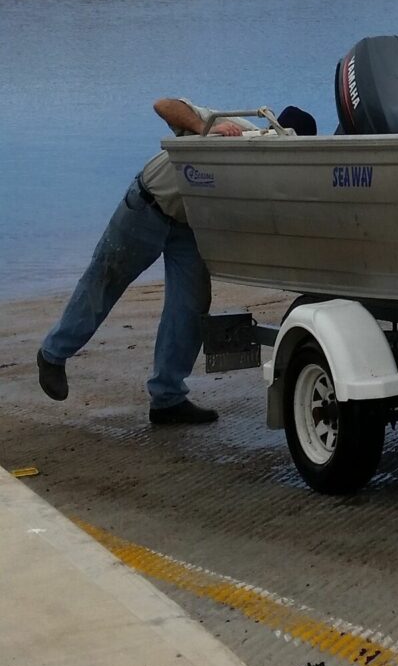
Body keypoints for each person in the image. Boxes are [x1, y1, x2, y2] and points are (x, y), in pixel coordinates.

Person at [37, 98, 262, 426]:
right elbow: (163, 105)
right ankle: (52, 355)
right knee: (104, 282)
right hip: (147, 206)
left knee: (191, 306)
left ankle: (168, 400)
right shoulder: (234, 129)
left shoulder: (270, 176)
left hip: (189, 227)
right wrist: (205, 128)